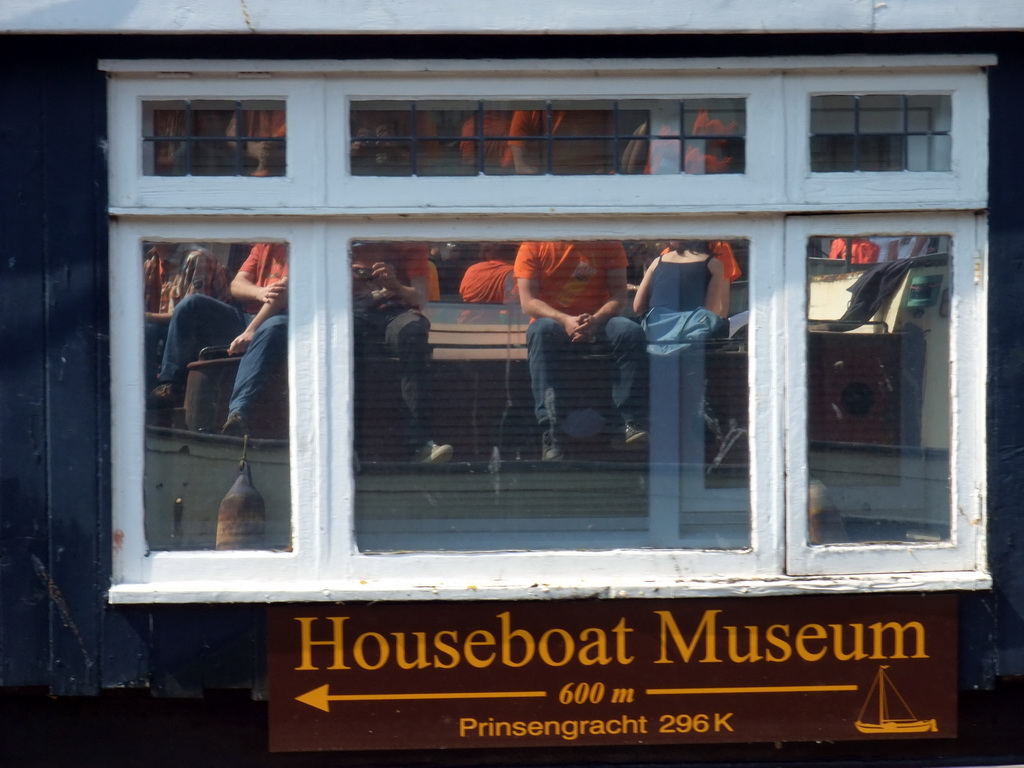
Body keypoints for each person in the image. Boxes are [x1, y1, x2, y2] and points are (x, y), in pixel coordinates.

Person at [514, 240, 648, 461]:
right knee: (540, 331)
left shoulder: (608, 243)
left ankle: (627, 422)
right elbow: (528, 302)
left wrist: (595, 320)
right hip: (552, 322)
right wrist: (565, 320)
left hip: (599, 319)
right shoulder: (534, 244)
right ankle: (551, 430)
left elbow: (619, 296)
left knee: (630, 332)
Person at [147, 242, 289, 437]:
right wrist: (259, 292)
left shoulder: (297, 246)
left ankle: (238, 414)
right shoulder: (263, 246)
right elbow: (236, 285)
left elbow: (282, 295)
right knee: (191, 304)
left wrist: (250, 331)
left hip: (278, 318)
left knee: (273, 327)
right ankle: (169, 386)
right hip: (246, 318)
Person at [351, 242, 453, 464]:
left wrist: (394, 284)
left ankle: (420, 442)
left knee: (414, 330)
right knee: (343, 337)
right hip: (351, 314)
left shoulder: (409, 243)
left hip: (395, 313)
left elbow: (419, 298)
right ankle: (347, 445)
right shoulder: (343, 241)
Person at [143, 243, 232, 387]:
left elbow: (191, 313)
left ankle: (169, 386)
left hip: (204, 334)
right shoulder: (150, 262)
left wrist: (147, 316)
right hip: (165, 331)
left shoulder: (198, 258)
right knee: (144, 330)